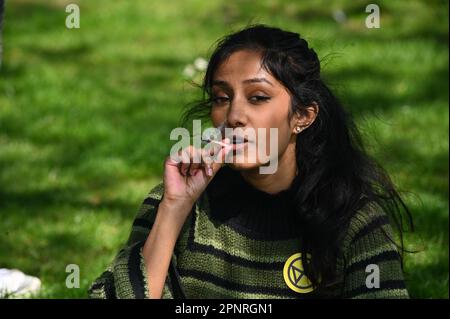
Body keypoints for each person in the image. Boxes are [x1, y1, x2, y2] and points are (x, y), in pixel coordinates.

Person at [88, 24, 413, 299]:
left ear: (302, 115)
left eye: (258, 97)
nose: (235, 116)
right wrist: (174, 209)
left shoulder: (351, 218)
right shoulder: (179, 203)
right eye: (221, 98)